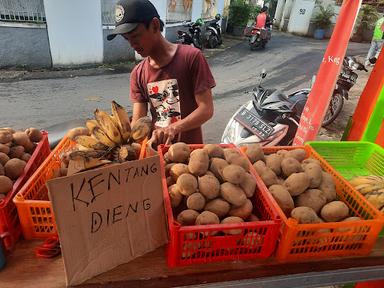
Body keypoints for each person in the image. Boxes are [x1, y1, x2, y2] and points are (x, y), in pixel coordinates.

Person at [107, 0, 215, 145]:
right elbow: (139, 121)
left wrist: (174, 128)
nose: (132, 45)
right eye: (127, 40)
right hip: (157, 154)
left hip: (191, 156)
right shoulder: (138, 74)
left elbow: (206, 109)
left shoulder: (191, 58)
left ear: (154, 25)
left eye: (136, 36)